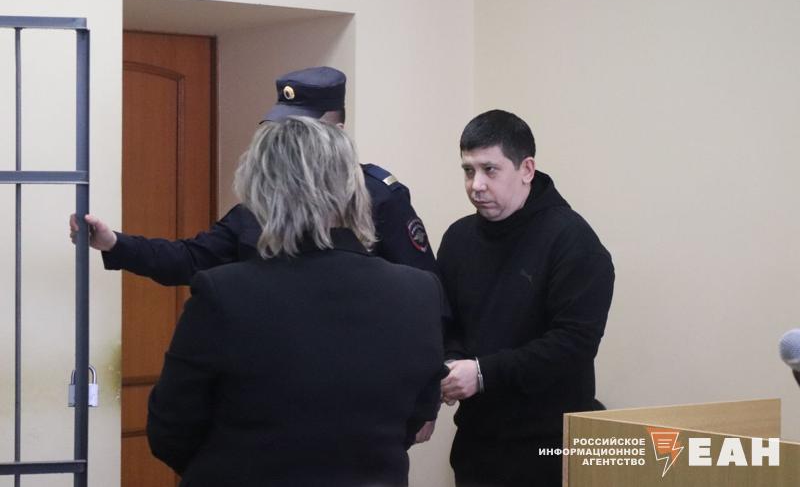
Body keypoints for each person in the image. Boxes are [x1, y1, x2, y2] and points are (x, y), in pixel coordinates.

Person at [146, 117, 446, 487]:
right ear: (355, 191)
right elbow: (415, 419)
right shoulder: (419, 293)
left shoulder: (223, 293)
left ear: (261, 194)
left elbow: (169, 431)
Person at [70, 66, 436, 286]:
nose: (288, 140)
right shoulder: (264, 201)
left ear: (337, 132)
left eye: (302, 129)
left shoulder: (378, 196)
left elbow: (423, 291)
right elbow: (191, 258)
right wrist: (114, 243)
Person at [438, 109, 614, 487]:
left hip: (549, 448)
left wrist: (483, 373)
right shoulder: (458, 239)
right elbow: (446, 323)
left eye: (490, 170)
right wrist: (451, 362)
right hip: (477, 445)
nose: (476, 185)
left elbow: (574, 344)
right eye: (468, 170)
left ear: (527, 169)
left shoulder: (572, 240)